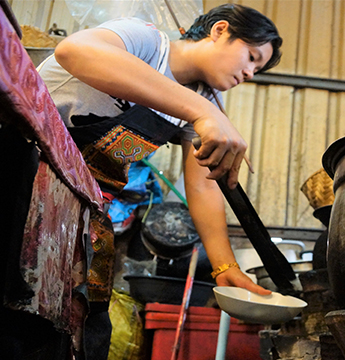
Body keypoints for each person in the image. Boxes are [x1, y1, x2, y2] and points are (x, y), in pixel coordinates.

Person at [37, 4, 280, 359]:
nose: (250, 72)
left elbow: (202, 184)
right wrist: (204, 112)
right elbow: (75, 51)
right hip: (26, 166)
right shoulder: (147, 40)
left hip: (79, 203)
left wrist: (225, 266)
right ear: (219, 30)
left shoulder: (202, 97)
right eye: (251, 56)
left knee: (76, 323)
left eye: (257, 68)